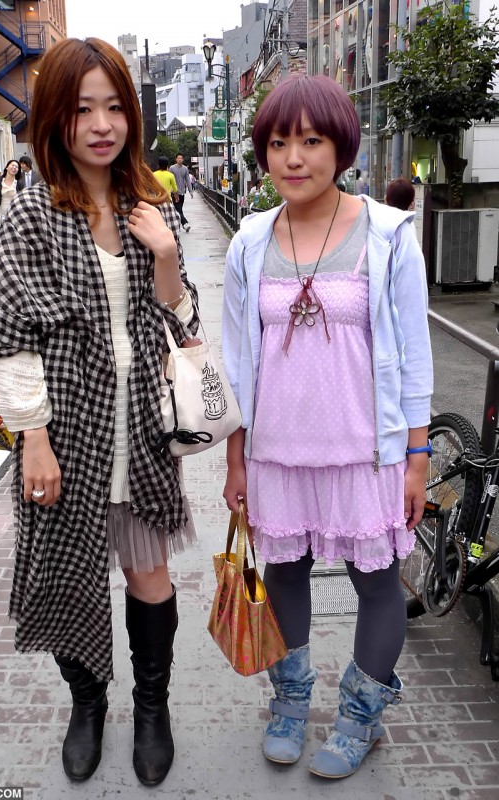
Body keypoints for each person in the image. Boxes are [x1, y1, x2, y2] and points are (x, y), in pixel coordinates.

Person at [0, 37, 200, 788]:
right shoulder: (32, 214)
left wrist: (165, 259)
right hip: (64, 435)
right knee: (68, 578)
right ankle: (87, 705)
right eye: (83, 109)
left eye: (114, 107)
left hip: (142, 432)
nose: (102, 124)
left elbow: (181, 323)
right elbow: (2, 333)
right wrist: (33, 440)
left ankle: (152, 709)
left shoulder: (145, 204)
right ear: (57, 119)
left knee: (149, 575)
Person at [222, 74, 432, 780]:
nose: (293, 157)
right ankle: (289, 704)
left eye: (311, 140)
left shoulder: (390, 235)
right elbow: (235, 362)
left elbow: (414, 359)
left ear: (340, 146)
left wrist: (417, 457)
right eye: (278, 142)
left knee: (378, 582)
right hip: (278, 452)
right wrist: (236, 460)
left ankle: (359, 717)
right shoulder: (249, 242)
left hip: (365, 453)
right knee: (284, 573)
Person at [0, 159, 22, 226]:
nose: (14, 168)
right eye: (12, 165)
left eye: (16, 167)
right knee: (2, 233)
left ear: (18, 171)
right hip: (2, 212)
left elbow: (22, 199)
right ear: (7, 167)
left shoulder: (18, 183)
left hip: (15, 213)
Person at [169, 153, 193, 232]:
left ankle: (178, 224)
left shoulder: (185, 169)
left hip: (182, 192)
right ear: (176, 159)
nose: (180, 159)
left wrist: (190, 191)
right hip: (174, 192)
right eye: (178, 158)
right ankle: (185, 224)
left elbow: (187, 180)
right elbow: (169, 179)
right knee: (178, 209)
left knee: (179, 209)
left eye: (181, 158)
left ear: (183, 159)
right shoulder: (172, 168)